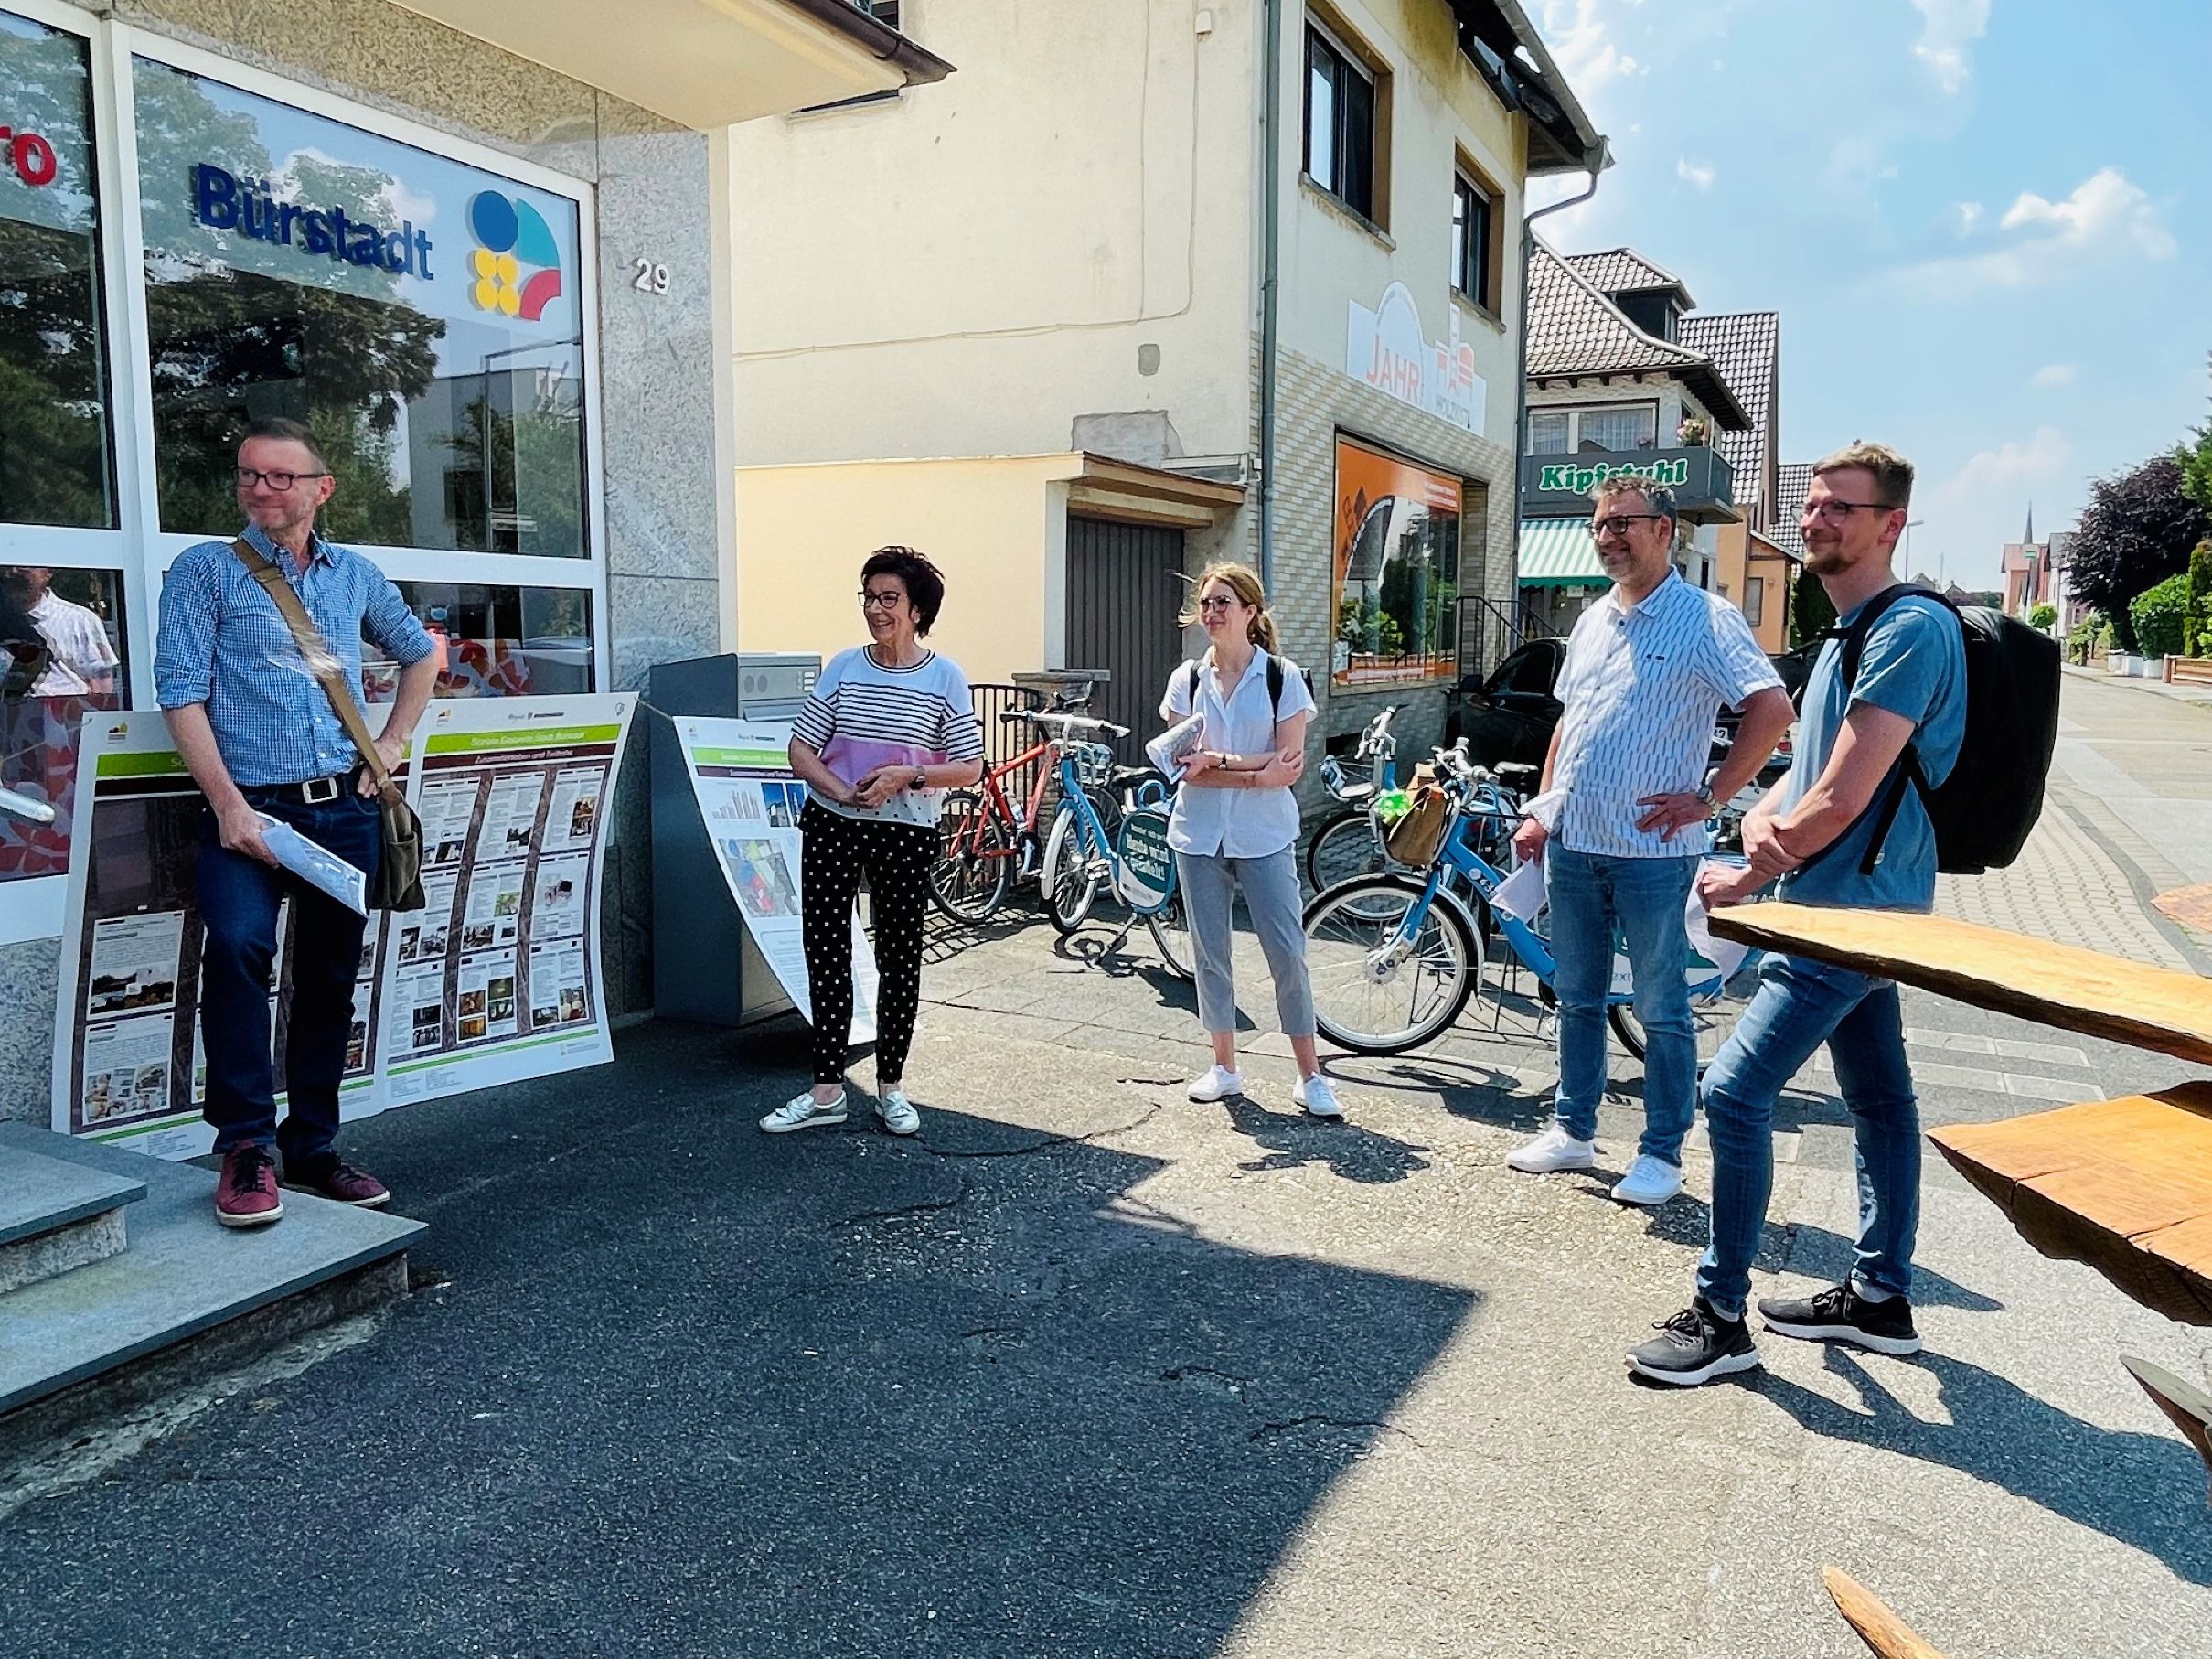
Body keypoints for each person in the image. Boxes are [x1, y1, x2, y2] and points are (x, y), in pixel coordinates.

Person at [1630, 441, 1966, 1386]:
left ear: (1891, 523)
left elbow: (1840, 797)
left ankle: (1721, 1313)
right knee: (1878, 1099)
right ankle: (1878, 1296)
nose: (1818, 520)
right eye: (1813, 505)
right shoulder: (1846, 633)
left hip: (1852, 912)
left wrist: (1747, 869)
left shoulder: (1908, 630)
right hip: (1844, 905)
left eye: (1842, 509)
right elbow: (1800, 779)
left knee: (1733, 1093)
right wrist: (1758, 824)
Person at [155, 417, 439, 1228]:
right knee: (240, 951)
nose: (262, 490)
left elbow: (420, 654)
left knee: (327, 977)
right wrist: (228, 806)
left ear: (321, 489)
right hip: (248, 810)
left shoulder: (353, 575)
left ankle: (312, 1145)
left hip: (341, 812)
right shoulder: (204, 572)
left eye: (281, 477)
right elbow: (182, 692)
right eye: (250, 475)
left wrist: (389, 743)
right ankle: (246, 1149)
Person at [1507, 478, 1793, 1204]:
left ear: (1665, 530)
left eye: (1622, 523)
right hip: (1574, 844)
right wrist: (1543, 811)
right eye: (1598, 525)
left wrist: (1710, 797)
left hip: (1653, 856)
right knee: (1574, 995)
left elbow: (1770, 708)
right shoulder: (1593, 621)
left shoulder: (1704, 619)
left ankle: (1661, 1153)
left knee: (1660, 1007)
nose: (1607, 537)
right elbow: (1568, 724)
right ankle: (1573, 1131)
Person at [764, 546, 985, 1137]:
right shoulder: (843, 666)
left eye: (889, 598)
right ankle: (827, 1090)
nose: (876, 608)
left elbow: (968, 766)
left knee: (898, 958)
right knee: (827, 952)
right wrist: (839, 789)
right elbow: (800, 747)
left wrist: (905, 776)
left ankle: (891, 1087)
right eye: (868, 596)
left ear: (917, 610)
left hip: (905, 829)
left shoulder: (945, 677)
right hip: (834, 822)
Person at [1160, 562, 1341, 1120]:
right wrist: (1249, 771)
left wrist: (1218, 761)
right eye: (1207, 603)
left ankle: (1310, 1074)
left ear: (1250, 612)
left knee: (1286, 952)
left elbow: (1288, 763)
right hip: (1198, 833)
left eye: (1224, 603)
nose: (1212, 613)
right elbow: (1181, 766)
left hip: (1265, 835)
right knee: (1210, 955)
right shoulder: (1186, 679)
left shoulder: (1281, 677)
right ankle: (1224, 1066)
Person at [4, 566, 118, 698]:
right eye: (6, 567)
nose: (11, 572)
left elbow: (100, 682)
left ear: (48, 572)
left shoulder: (79, 620)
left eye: (22, 568)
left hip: (64, 715)